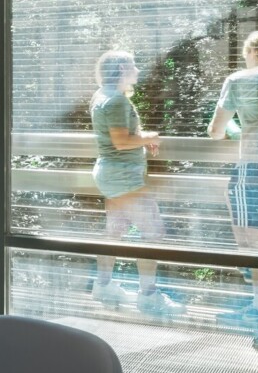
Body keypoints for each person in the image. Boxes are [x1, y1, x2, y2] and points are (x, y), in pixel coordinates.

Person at [87, 51, 185, 317]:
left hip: (111, 174)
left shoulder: (102, 95)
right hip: (123, 176)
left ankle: (103, 286)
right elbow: (121, 141)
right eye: (133, 65)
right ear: (121, 68)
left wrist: (140, 137)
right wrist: (150, 136)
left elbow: (117, 137)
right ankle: (149, 297)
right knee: (154, 231)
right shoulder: (116, 99)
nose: (138, 70)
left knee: (115, 231)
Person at [208, 30, 258, 347]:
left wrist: (232, 127)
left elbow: (215, 131)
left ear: (253, 51)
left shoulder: (241, 79)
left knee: (255, 242)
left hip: (256, 166)